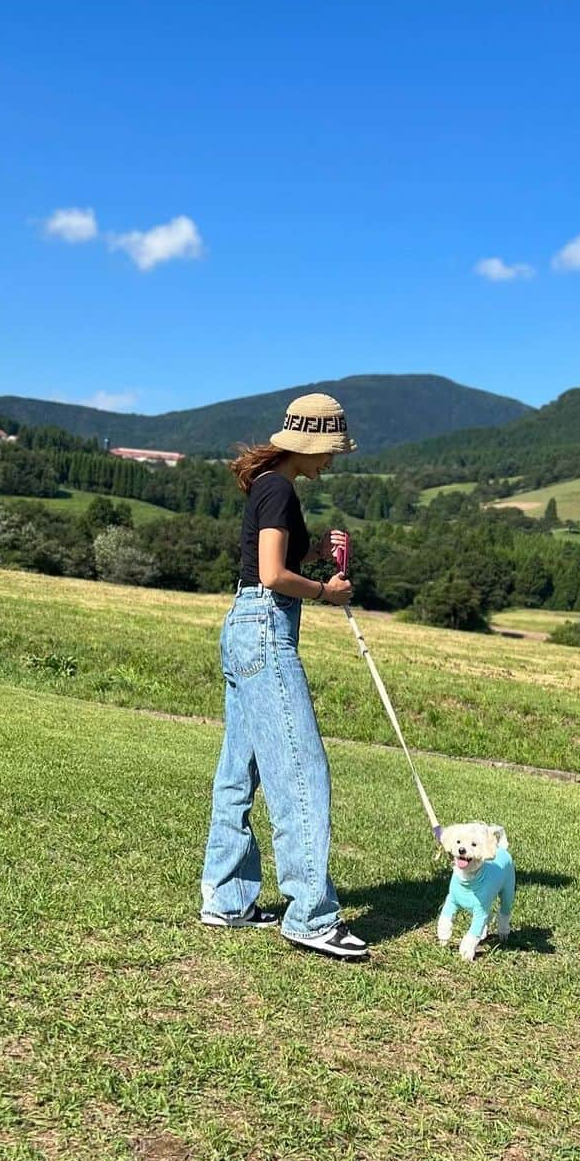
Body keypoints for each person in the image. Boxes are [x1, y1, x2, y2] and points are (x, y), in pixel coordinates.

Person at [199, 392, 368, 961]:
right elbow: (273, 576)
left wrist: (315, 549)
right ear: (312, 444)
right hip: (266, 631)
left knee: (239, 770)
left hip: (245, 627)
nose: (332, 462)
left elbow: (267, 564)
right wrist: (327, 590)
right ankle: (311, 916)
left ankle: (228, 900)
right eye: (330, 452)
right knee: (302, 769)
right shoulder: (279, 487)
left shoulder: (269, 484)